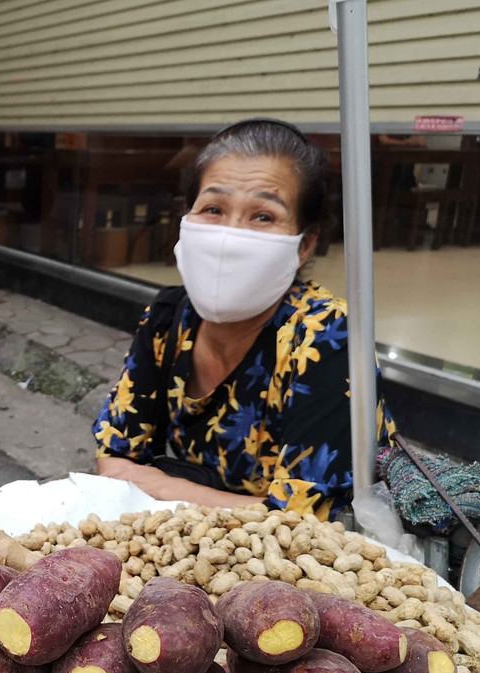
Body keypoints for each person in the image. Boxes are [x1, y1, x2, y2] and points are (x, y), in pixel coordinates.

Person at [93, 118, 395, 521]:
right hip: (193, 549)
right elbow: (115, 460)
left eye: (263, 216)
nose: (229, 237)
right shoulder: (168, 318)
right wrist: (224, 504)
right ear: (186, 219)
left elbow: (304, 521)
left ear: (304, 245)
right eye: (213, 209)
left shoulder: (326, 337)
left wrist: (169, 489)